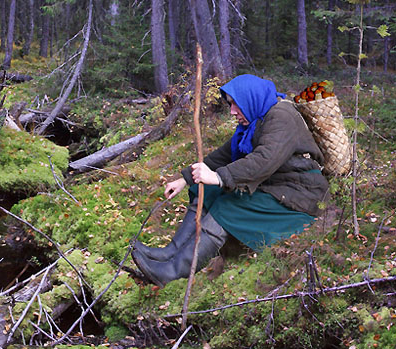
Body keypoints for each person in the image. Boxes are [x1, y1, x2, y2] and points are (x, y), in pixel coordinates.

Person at [132, 74, 329, 287]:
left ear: (250, 99)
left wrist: (218, 177)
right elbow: (223, 155)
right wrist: (185, 180)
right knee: (205, 191)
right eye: (230, 105)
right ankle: (170, 254)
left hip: (300, 193)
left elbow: (264, 160)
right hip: (276, 185)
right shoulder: (257, 119)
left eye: (236, 104)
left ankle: (173, 271)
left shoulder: (282, 116)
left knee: (228, 207)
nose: (233, 111)